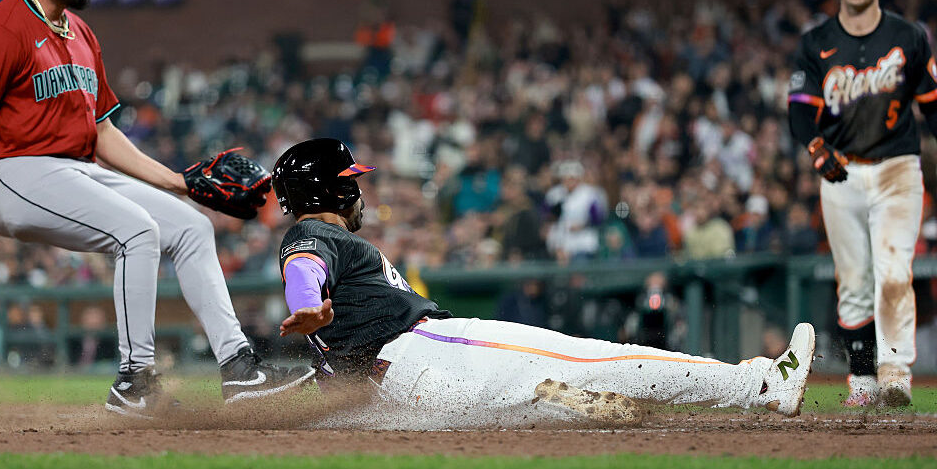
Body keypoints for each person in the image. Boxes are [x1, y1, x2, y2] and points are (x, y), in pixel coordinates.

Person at [0, 0, 313, 418]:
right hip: (12, 173)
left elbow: (102, 132)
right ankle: (135, 381)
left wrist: (178, 182)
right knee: (138, 232)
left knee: (191, 227)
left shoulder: (81, 34)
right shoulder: (4, 27)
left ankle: (239, 368)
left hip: (72, 168)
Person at [270, 138, 815, 429]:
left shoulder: (314, 238)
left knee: (533, 402)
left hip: (404, 393)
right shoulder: (314, 232)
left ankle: (566, 402)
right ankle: (763, 384)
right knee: (596, 358)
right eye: (350, 180)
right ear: (331, 190)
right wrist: (309, 306)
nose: (358, 190)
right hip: (428, 350)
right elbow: (303, 270)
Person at [788, 0, 937, 408]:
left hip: (897, 167)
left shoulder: (908, 36)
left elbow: (932, 103)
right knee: (853, 282)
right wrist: (816, 147)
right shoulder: (816, 42)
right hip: (842, 172)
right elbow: (799, 110)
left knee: (893, 272)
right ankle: (863, 380)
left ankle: (895, 372)